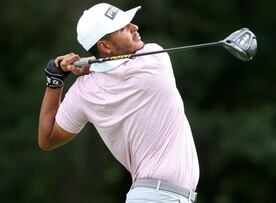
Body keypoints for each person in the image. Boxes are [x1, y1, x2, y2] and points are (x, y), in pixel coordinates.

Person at [38, 3, 199, 203]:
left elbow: (47, 138)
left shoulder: (83, 91)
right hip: (160, 197)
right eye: (123, 28)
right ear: (105, 45)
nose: (134, 27)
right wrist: (89, 65)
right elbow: (114, 64)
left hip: (152, 195)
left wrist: (55, 80)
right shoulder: (155, 58)